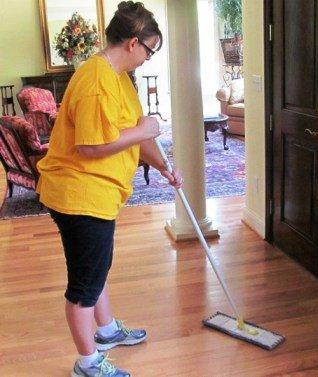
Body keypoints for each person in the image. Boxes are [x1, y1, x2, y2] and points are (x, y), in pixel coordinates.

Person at [36, 2, 183, 376]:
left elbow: (135, 130)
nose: (149, 58)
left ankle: (107, 331)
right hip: (79, 195)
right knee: (84, 284)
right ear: (133, 43)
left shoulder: (118, 76)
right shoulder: (96, 81)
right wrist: (143, 131)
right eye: (150, 49)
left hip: (99, 192)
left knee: (96, 268)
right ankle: (86, 364)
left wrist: (164, 166)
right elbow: (90, 145)